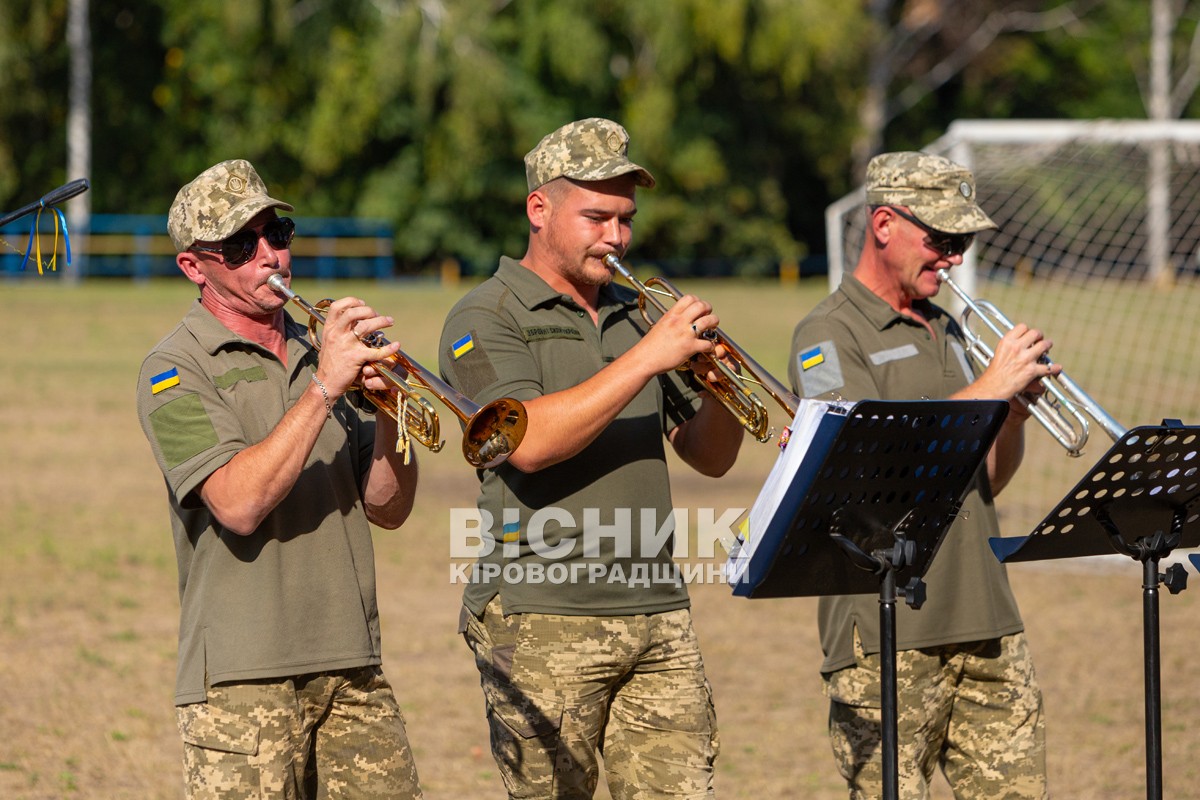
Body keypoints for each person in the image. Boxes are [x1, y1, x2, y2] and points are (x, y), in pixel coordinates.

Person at [438, 118, 745, 799]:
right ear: (538, 210)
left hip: (658, 610)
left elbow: (711, 457)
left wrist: (720, 388)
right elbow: (527, 443)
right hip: (542, 613)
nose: (617, 237)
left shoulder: (638, 313)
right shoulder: (483, 316)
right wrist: (649, 357)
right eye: (597, 217)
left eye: (626, 220)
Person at [136, 159, 423, 799]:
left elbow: (388, 507)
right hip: (242, 678)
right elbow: (238, 503)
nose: (270, 256)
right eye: (242, 245)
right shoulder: (172, 371)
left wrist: (389, 413)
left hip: (353, 665)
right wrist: (325, 386)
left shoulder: (320, 347)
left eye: (278, 233)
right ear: (194, 267)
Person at [788, 151, 1052, 800]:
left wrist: (1010, 416)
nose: (956, 257)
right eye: (942, 240)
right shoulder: (826, 334)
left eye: (962, 242)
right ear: (883, 225)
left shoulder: (948, 330)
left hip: (985, 614)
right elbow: (864, 469)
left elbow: (985, 475)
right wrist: (991, 386)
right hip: (887, 631)